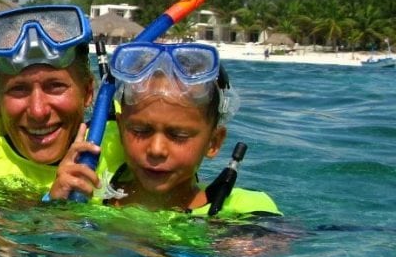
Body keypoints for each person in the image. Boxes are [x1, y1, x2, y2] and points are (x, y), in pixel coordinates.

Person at [0, 5, 122, 199]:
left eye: (55, 86)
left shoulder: (129, 141)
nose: (38, 111)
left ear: (87, 93)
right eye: (18, 89)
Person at [103, 42, 279, 216]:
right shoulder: (87, 194)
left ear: (213, 143)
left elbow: (279, 237)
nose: (156, 149)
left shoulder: (243, 210)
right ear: (120, 128)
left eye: (179, 135)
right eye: (140, 130)